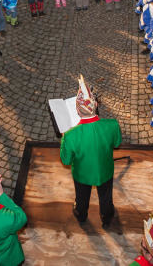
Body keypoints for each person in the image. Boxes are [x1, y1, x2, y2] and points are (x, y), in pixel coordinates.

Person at [60, 75, 121, 226]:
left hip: (82, 174)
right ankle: (106, 216)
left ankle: (81, 213)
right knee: (106, 195)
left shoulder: (70, 135)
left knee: (81, 196)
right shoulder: (112, 125)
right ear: (95, 106)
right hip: (105, 170)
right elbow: (117, 143)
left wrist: (64, 139)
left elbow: (66, 160)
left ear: (78, 111)